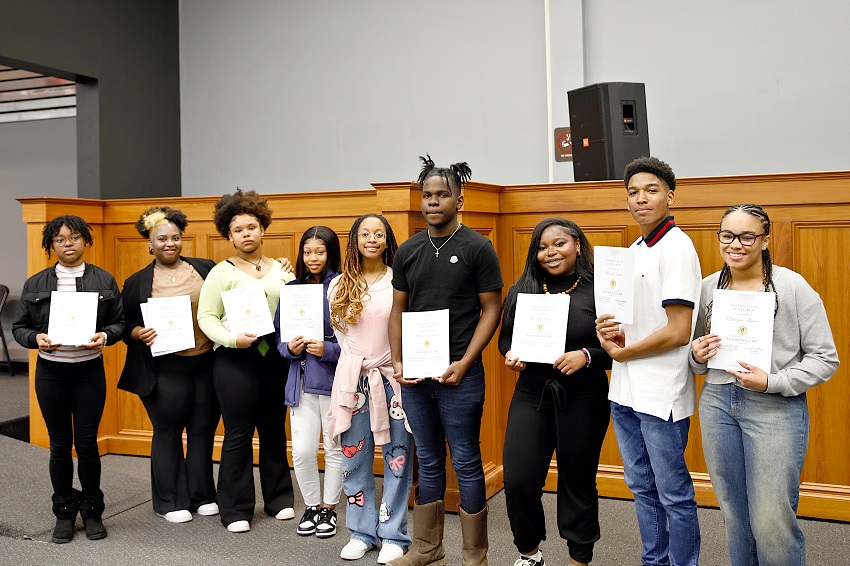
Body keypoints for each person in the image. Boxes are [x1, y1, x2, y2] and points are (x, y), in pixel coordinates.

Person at [690, 204, 838, 566]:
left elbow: (825, 358)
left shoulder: (792, 286)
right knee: (734, 515)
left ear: (765, 240)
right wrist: (696, 353)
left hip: (775, 408)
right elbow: (694, 360)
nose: (735, 245)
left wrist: (773, 381)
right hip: (718, 404)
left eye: (747, 236)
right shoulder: (709, 287)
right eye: (727, 235)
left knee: (771, 519)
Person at [389, 155, 504, 566]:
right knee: (429, 458)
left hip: (461, 376)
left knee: (468, 460)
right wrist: (399, 362)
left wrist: (466, 361)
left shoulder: (478, 247)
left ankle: (474, 556)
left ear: (460, 198)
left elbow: (492, 309)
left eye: (442, 195)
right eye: (427, 195)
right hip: (417, 379)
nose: (433, 202)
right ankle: (427, 549)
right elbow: (397, 311)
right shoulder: (408, 250)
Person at [595, 156, 702, 566]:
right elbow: (631, 320)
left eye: (651, 190)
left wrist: (623, 352)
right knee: (641, 487)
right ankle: (653, 561)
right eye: (633, 192)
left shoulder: (677, 247)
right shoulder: (634, 249)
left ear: (670, 196)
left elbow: (678, 331)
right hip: (624, 390)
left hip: (661, 393)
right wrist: (610, 335)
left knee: (673, 492)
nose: (641, 199)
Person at [499, 218, 611, 566]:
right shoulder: (523, 289)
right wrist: (510, 356)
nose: (550, 252)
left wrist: (587, 355)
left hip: (584, 396)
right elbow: (506, 338)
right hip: (533, 392)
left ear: (577, 244)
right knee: (519, 479)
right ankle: (529, 552)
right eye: (542, 247)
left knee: (577, 482)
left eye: (559, 243)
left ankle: (579, 558)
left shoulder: (601, 289)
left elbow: (621, 344)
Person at [12, 215, 125, 543]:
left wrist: (105, 336)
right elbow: (20, 327)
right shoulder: (36, 283)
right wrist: (36, 339)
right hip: (51, 373)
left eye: (74, 237)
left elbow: (119, 322)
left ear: (85, 240)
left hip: (89, 372)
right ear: (51, 245)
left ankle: (91, 511)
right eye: (60, 239)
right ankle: (64, 512)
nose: (68, 244)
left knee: (87, 445)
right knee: (59, 445)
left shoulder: (103, 279)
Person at [196, 189, 295, 533]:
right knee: (238, 433)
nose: (246, 234)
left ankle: (279, 498)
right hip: (235, 360)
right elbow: (206, 317)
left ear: (263, 228)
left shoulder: (282, 269)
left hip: (275, 357)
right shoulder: (220, 273)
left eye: (252, 226)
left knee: (273, 430)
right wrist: (230, 338)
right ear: (229, 235)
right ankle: (236, 508)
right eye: (238, 230)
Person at [118, 206, 220, 524]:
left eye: (175, 237)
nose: (169, 243)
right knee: (168, 431)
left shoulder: (206, 268)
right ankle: (170, 500)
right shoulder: (136, 282)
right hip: (164, 368)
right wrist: (138, 332)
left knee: (203, 431)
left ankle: (202, 494)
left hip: (206, 363)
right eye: (162, 238)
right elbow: (124, 325)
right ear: (150, 244)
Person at [327, 214, 414, 564]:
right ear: (354, 240)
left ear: (388, 239)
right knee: (353, 456)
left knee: (398, 457)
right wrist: (357, 365)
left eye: (379, 233)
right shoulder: (339, 285)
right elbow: (341, 336)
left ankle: (394, 534)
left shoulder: (399, 280)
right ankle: (361, 532)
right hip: (353, 382)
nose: (372, 239)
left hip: (393, 380)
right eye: (365, 234)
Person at [275, 226, 343, 539]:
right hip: (300, 382)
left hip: (334, 382)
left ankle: (328, 508)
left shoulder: (342, 288)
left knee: (333, 448)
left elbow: (358, 343)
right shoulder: (291, 289)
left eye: (319, 251)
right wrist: (288, 348)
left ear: (331, 253)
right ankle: (311, 506)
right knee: (302, 451)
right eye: (307, 252)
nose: (313, 258)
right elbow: (277, 339)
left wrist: (327, 349)